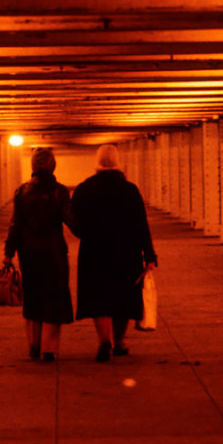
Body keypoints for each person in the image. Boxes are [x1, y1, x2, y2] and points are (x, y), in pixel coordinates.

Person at [70, 144, 157, 362]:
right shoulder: (130, 190)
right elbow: (141, 225)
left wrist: (88, 232)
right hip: (126, 252)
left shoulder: (83, 189)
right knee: (123, 297)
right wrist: (150, 255)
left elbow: (76, 225)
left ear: (97, 162)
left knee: (99, 297)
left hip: (94, 251)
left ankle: (104, 341)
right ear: (118, 162)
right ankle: (119, 342)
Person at [3, 147, 74, 362]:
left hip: (29, 253)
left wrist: (8, 253)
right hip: (54, 253)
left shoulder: (22, 192)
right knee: (54, 298)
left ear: (33, 166)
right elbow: (72, 221)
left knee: (33, 298)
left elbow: (15, 225)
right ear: (53, 166)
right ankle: (49, 349)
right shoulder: (60, 192)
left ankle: (33, 346)